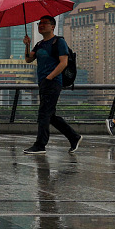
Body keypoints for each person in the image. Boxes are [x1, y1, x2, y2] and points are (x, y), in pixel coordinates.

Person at [22, 15, 81, 155]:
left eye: (44, 23)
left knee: (43, 113)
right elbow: (28, 59)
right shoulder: (40, 44)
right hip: (44, 82)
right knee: (50, 115)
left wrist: (49, 78)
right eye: (39, 23)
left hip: (53, 82)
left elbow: (63, 63)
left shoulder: (59, 42)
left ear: (53, 26)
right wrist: (27, 45)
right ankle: (74, 137)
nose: (41, 25)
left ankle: (40, 145)